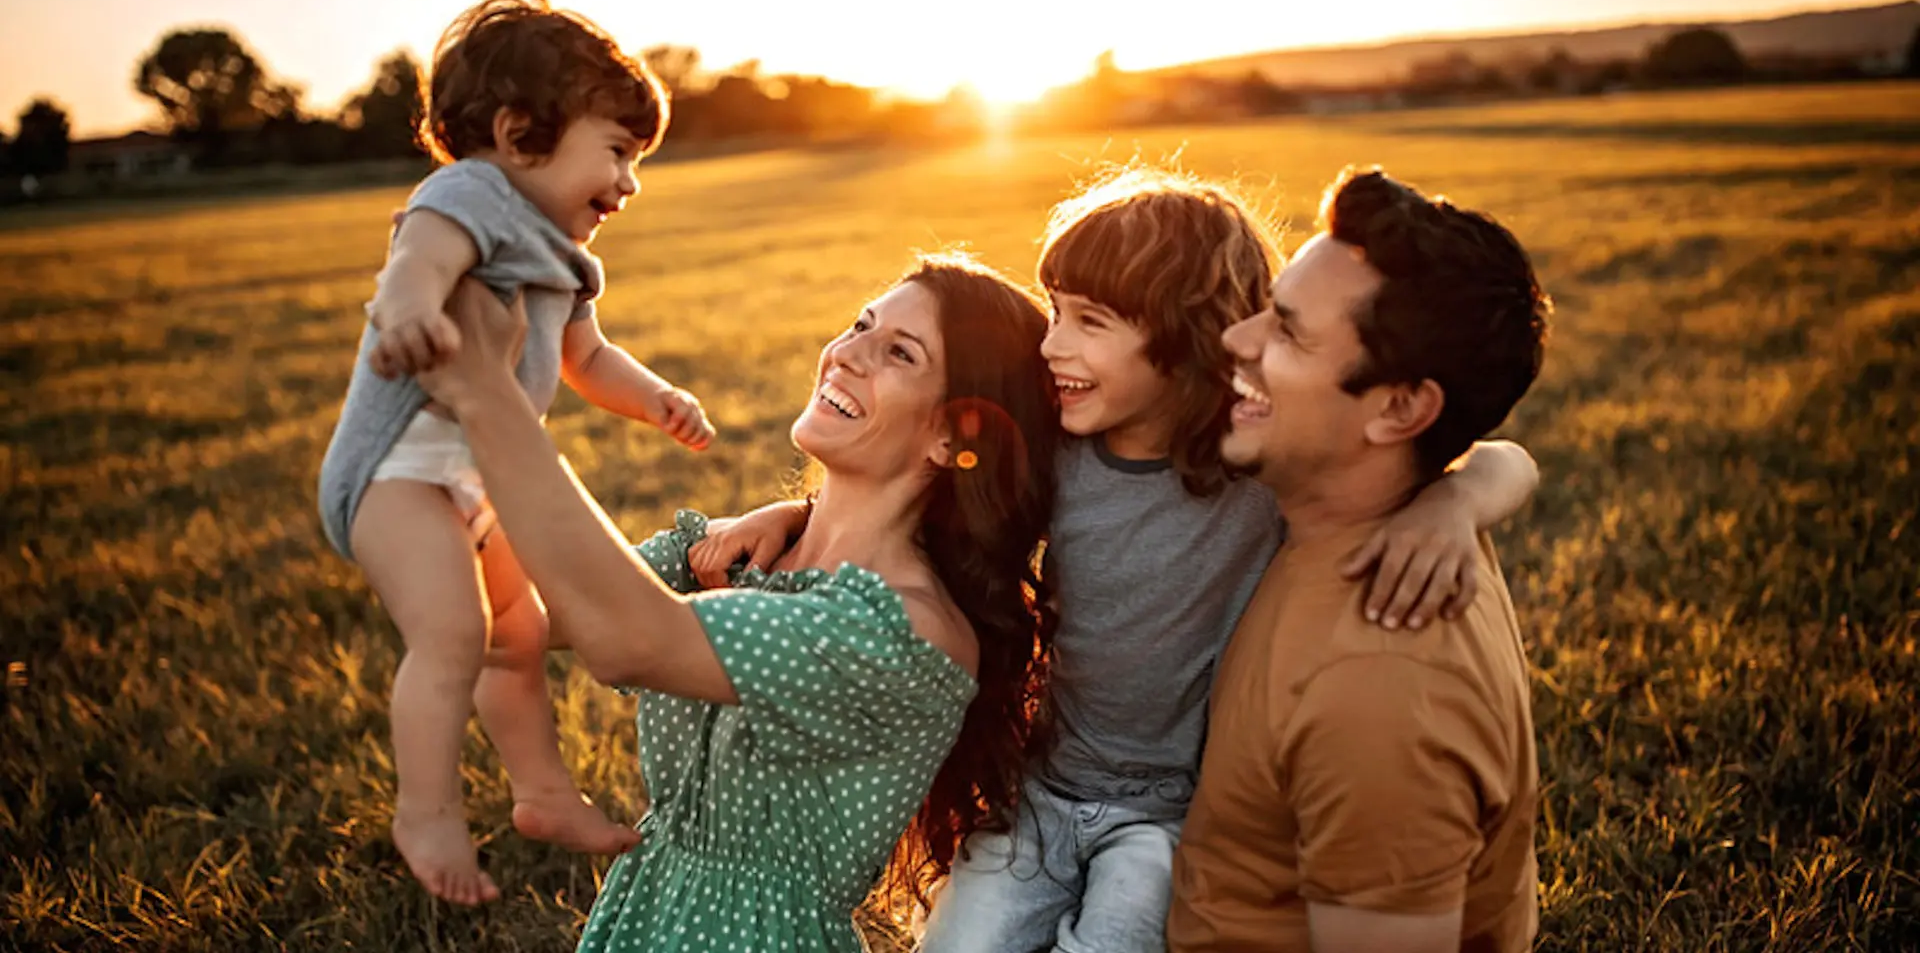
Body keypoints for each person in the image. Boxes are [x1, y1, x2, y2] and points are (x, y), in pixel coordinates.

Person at [698, 167, 1539, 952]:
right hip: (1044, 790)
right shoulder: (1063, 452)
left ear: (1183, 340)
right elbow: (928, 500)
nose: (1052, 344)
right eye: (1054, 312)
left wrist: (1455, 500)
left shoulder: (1248, 472)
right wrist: (796, 510)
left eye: (1089, 322)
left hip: (1163, 819)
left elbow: (1489, 453)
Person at [414, 253, 1061, 951]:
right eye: (860, 324)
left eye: (899, 353)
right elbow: (520, 616)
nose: (845, 354)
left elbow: (630, 636)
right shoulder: (747, 555)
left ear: (952, 435)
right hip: (645, 914)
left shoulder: (906, 630)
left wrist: (497, 409)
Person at [314, 0, 712, 904]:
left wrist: (656, 401)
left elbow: (587, 358)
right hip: (395, 474)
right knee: (454, 632)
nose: (630, 181)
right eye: (616, 151)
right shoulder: (471, 195)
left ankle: (543, 794)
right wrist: (411, 308)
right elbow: (417, 258)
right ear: (519, 131)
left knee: (519, 637)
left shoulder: (568, 256)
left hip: (477, 474)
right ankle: (426, 812)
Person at [1169, 166, 1552, 952]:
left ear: (1402, 409)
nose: (1238, 339)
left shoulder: (1378, 689)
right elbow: (1505, 459)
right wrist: (1464, 494)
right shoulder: (1395, 510)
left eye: (1287, 331)